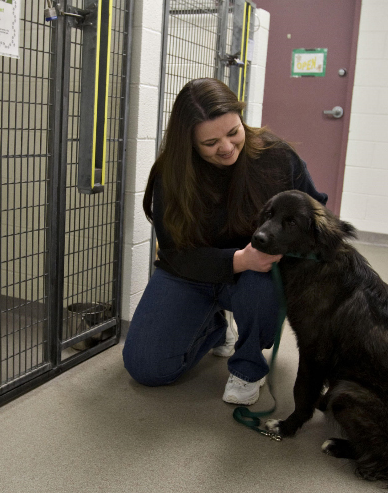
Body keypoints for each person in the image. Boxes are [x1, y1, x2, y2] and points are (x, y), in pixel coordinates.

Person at [122, 78, 327, 405]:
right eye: (210, 143)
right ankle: (215, 327)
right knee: (147, 368)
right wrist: (238, 260)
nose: (228, 148)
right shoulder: (170, 175)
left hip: (256, 276)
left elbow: (316, 212)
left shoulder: (277, 157)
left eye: (234, 132)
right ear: (188, 143)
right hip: (189, 272)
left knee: (260, 285)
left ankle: (248, 367)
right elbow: (174, 254)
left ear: (241, 118)